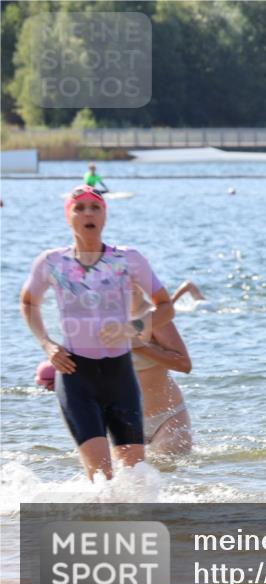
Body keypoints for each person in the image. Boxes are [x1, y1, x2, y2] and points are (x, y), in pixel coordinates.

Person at [20, 186, 174, 480]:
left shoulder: (128, 259)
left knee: (136, 477)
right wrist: (47, 344)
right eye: (79, 208)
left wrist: (132, 327)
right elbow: (28, 303)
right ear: (68, 216)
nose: (88, 213)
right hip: (76, 375)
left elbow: (165, 307)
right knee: (101, 476)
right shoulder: (51, 262)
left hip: (120, 376)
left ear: (105, 215)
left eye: (95, 207)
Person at [131, 283, 195, 454]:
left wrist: (140, 348)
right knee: (125, 472)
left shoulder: (154, 317)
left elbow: (184, 365)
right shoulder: (100, 322)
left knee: (171, 468)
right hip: (122, 421)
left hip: (166, 417)